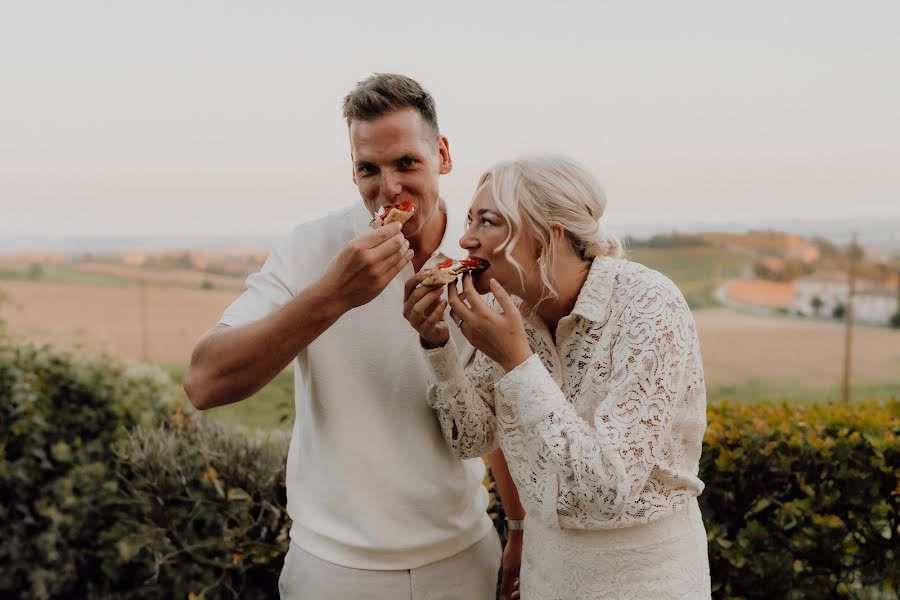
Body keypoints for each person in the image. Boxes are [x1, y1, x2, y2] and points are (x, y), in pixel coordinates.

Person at [183, 73, 506, 599]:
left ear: (443, 155)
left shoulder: (482, 250)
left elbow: (508, 400)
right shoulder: (309, 248)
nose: (389, 189)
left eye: (407, 163)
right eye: (368, 169)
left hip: (463, 555)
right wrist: (333, 294)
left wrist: (516, 526)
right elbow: (204, 383)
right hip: (333, 567)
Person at [403, 155, 711, 598]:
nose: (466, 239)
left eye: (487, 222)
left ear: (550, 236)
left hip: (646, 577)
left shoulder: (649, 305)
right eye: (469, 220)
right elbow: (472, 440)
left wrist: (518, 362)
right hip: (545, 572)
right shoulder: (505, 308)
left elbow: (608, 488)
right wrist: (437, 344)